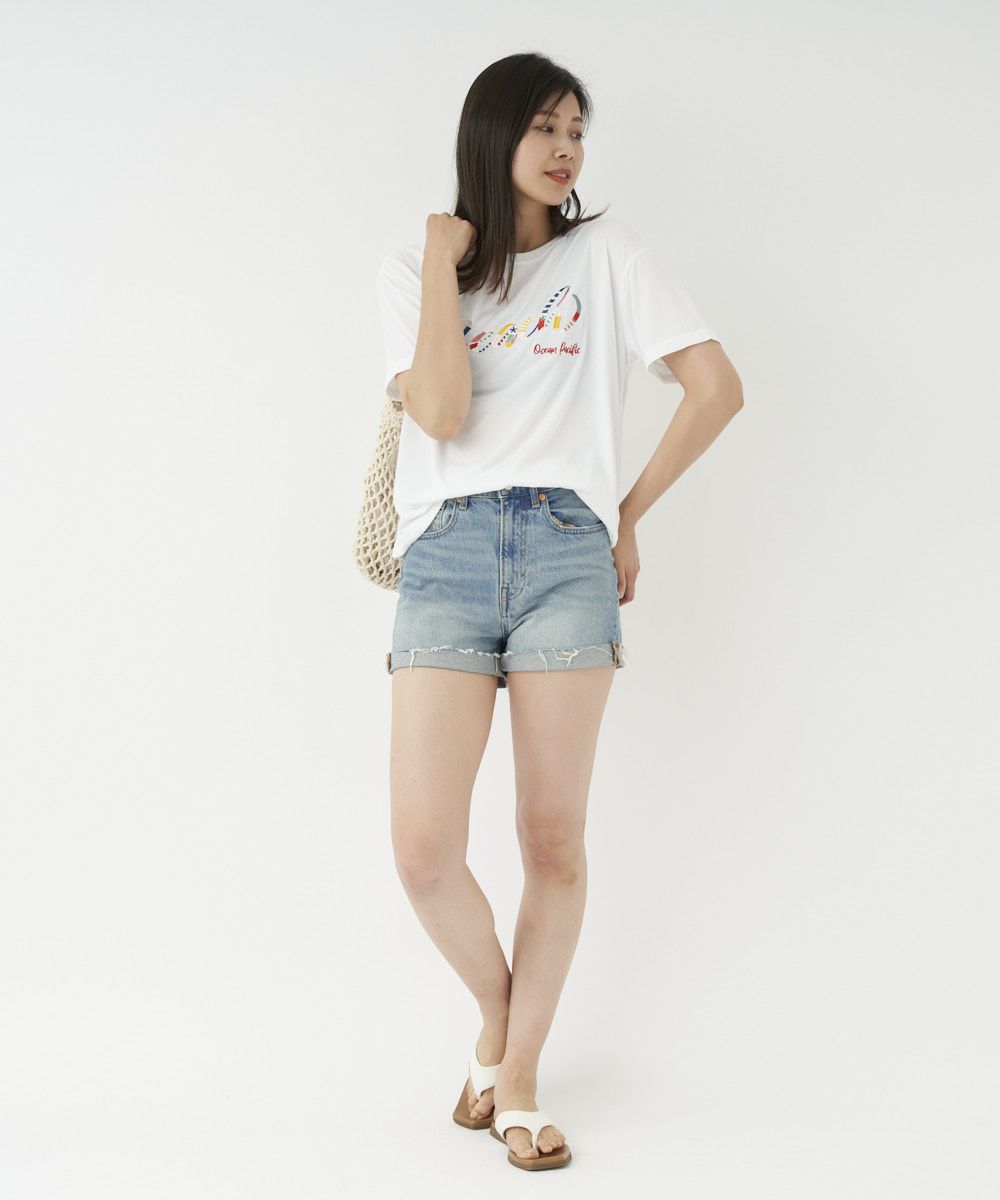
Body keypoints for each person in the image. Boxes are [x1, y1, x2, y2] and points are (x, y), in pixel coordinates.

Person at [375, 52, 744, 1171]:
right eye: (543, 126)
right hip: (446, 554)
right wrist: (443, 264)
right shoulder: (415, 270)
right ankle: (501, 1022)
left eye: (576, 128)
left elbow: (716, 387)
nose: (565, 148)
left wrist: (624, 515)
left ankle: (520, 1077)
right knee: (424, 850)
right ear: (492, 135)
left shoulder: (606, 254)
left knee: (550, 838)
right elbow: (442, 414)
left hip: (565, 553)